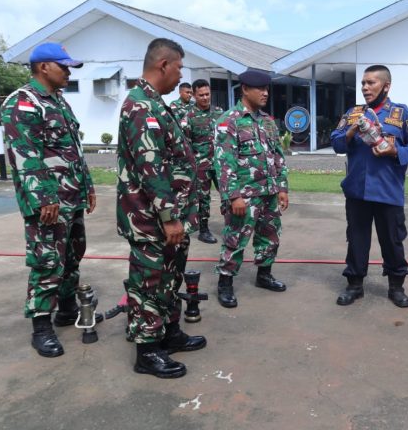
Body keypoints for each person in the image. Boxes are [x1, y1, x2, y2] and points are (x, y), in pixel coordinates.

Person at [117, 38, 206, 378]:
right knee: (149, 283)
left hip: (169, 218)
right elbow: (150, 168)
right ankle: (147, 350)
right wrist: (169, 218)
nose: (181, 74)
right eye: (180, 67)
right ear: (164, 65)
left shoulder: (156, 104)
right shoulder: (141, 107)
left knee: (169, 278)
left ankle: (168, 333)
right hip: (150, 219)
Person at [1, 42, 96, 357]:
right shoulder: (23, 103)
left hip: (72, 197)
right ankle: (41, 326)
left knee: (73, 254)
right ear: (43, 67)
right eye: (64, 66)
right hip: (48, 202)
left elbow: (74, 150)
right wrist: (44, 199)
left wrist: (88, 186)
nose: (69, 71)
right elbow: (25, 155)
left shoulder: (60, 102)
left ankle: (67, 307)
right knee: (47, 261)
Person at [330, 65, 408, 308]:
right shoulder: (353, 113)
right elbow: (336, 143)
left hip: (388, 191)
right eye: (363, 83)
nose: (365, 87)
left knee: (392, 241)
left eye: (371, 83)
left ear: (386, 86)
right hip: (357, 191)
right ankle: (354, 285)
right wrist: (350, 132)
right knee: (357, 239)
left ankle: (396, 286)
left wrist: (397, 151)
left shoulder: (402, 114)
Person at [213, 70, 289, 308]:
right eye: (260, 89)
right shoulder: (229, 120)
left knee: (270, 236)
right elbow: (224, 162)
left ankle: (264, 275)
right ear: (245, 89)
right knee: (235, 239)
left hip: (269, 192)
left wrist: (282, 188)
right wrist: (233, 196)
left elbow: (277, 156)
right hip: (244, 196)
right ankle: (225, 284)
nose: (265, 93)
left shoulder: (267, 121)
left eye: (267, 89)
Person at [181, 79, 222, 244]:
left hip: (220, 164)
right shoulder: (188, 117)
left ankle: (233, 227)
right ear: (194, 95)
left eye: (207, 94)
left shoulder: (220, 113)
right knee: (203, 199)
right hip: (201, 166)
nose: (205, 98)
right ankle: (203, 230)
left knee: (228, 195)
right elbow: (185, 146)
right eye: (201, 95)